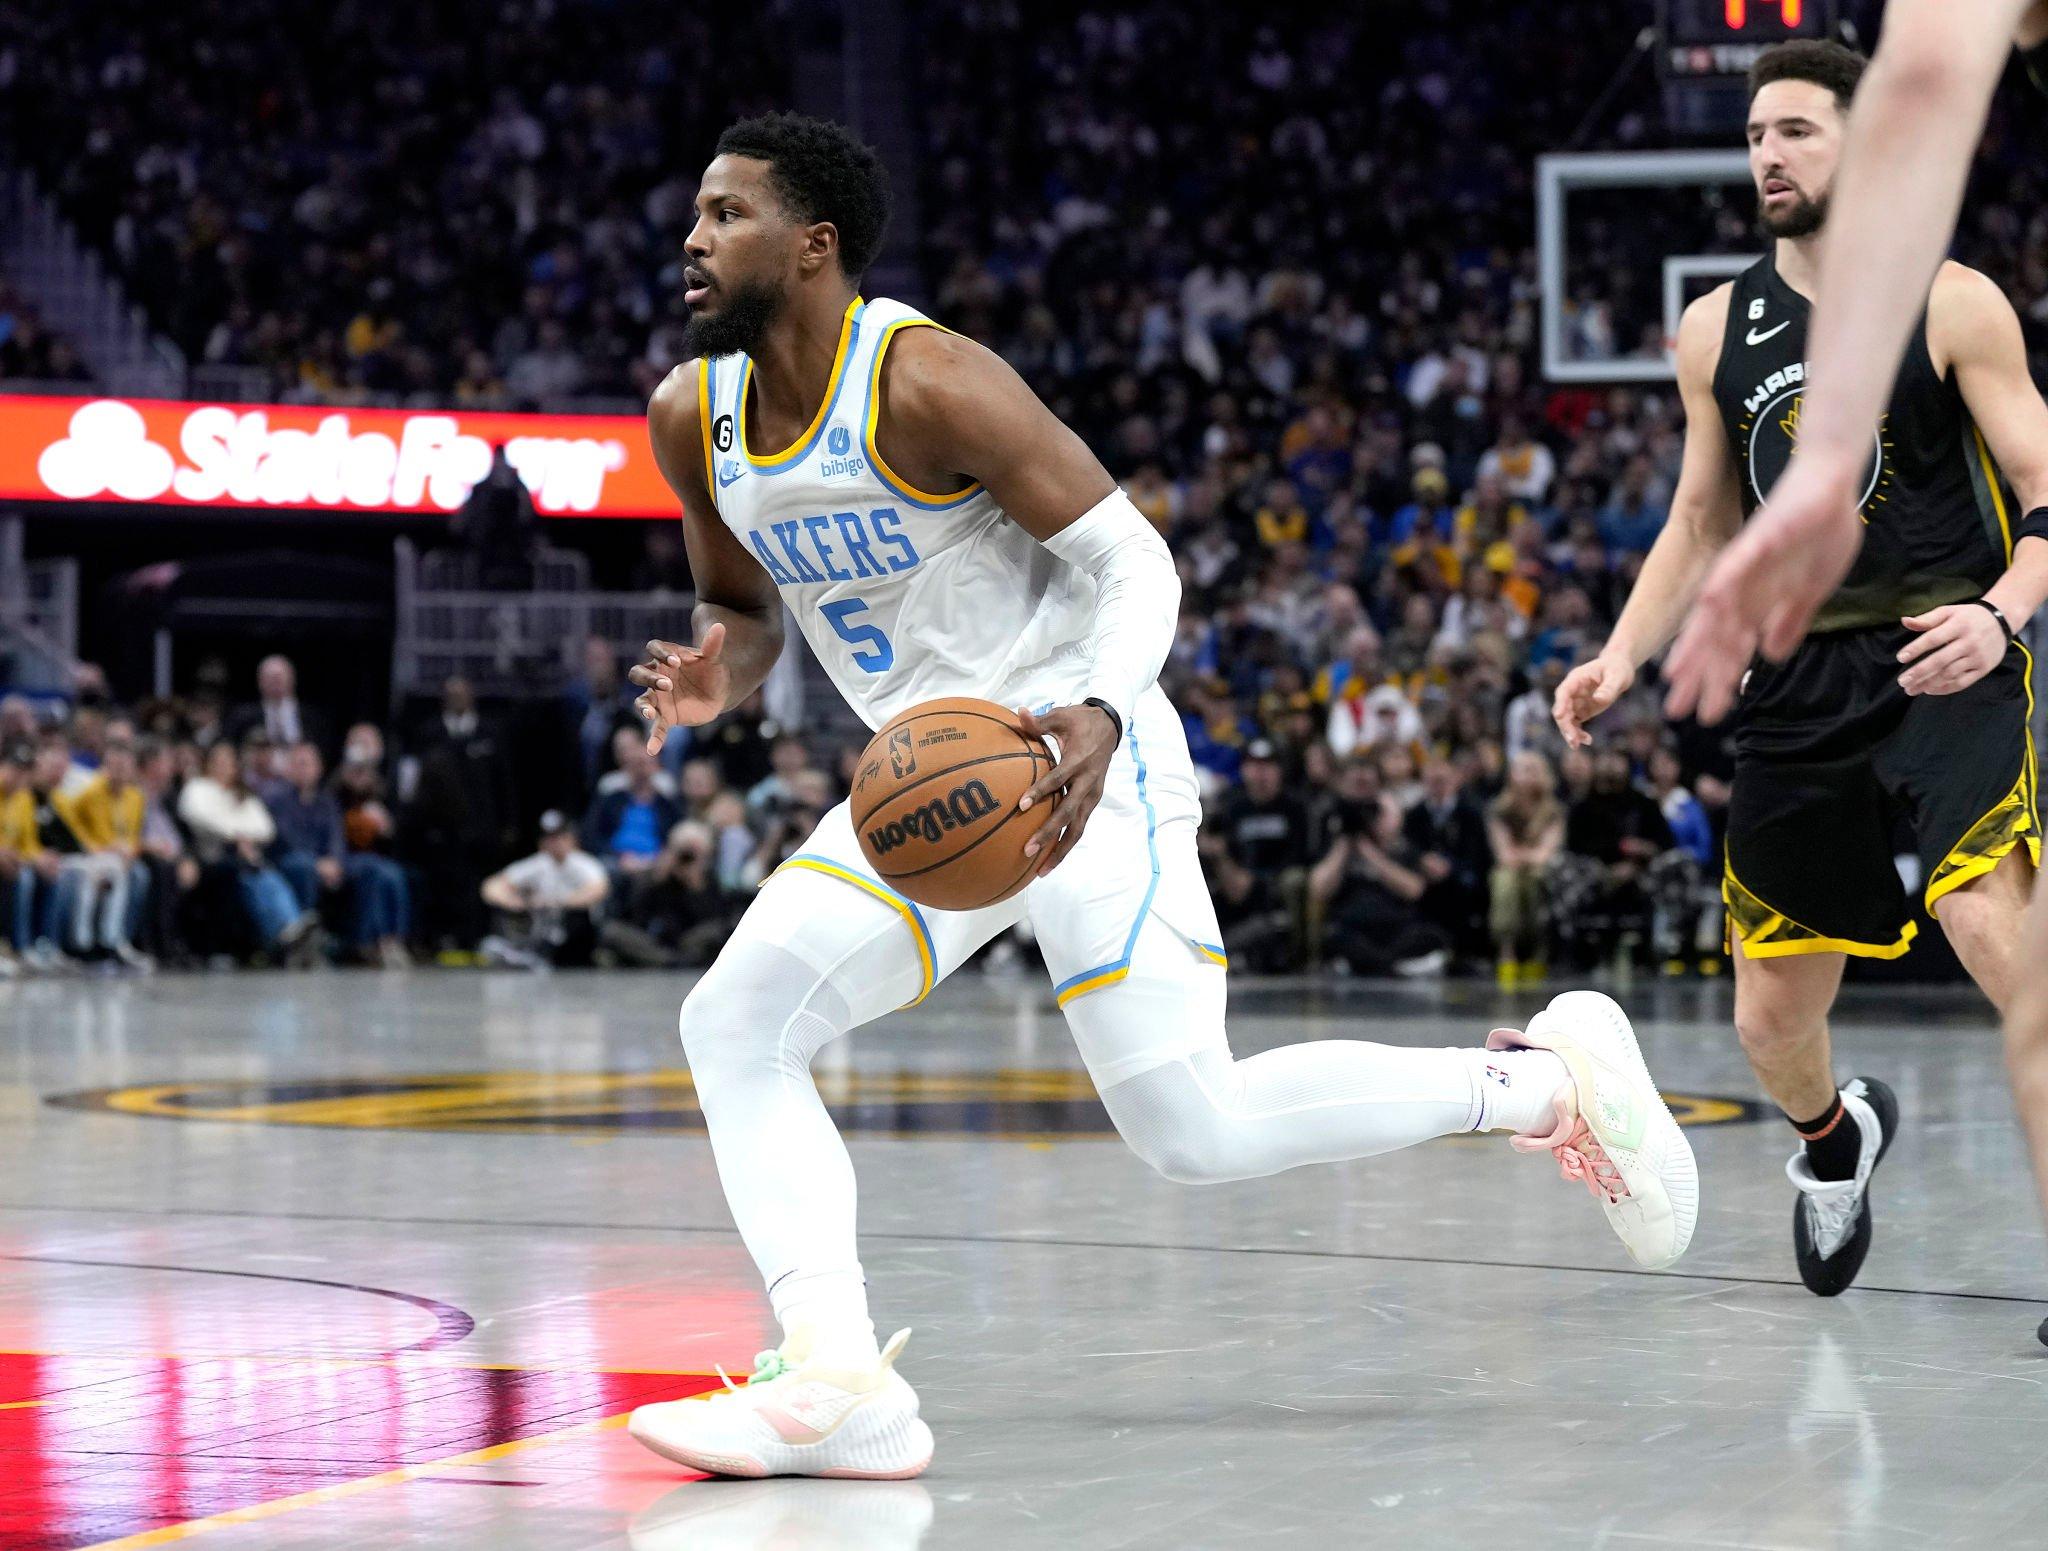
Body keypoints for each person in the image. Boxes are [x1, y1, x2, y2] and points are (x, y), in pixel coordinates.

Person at [619, 112, 1697, 1481]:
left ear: (814, 244)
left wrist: (1095, 709)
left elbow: (1139, 568)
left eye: (727, 215)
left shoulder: (932, 379)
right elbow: (737, 600)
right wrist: (730, 669)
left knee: (1195, 1127)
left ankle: (1537, 1084)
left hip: (1084, 765)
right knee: (737, 1018)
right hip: (935, 787)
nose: (693, 239)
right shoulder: (686, 414)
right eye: (697, 215)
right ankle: (839, 1378)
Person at [1554, 41, 2048, 1299]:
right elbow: (1700, 522)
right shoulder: (1714, 329)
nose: (1765, 154)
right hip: (1793, 686)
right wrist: (1620, 655)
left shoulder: (1949, 301)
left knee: (1996, 934)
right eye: (1755, 136)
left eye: (1795, 131)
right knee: (1768, 1027)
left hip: (1947, 659)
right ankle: (1836, 1142)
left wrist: (2001, 614)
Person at [178, 740, 317, 961]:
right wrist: (237, 836)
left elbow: (266, 828)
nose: (223, 767)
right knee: (248, 872)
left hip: (245, 855)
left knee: (267, 877)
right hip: (210, 856)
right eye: (218, 761)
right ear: (208, 765)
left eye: (228, 762)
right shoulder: (198, 788)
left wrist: (241, 836)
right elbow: (197, 816)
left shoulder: (242, 794)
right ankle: (281, 934)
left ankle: (290, 926)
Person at [479, 810, 609, 968]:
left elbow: (599, 889)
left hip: (576, 932)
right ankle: (524, 953)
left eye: (559, 836)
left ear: (570, 838)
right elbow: (491, 886)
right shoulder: (539, 864)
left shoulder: (583, 863)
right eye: (549, 837)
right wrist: (517, 903)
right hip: (541, 929)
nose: (554, 842)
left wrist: (558, 902)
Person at [1487, 751, 1565, 986]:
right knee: (1505, 880)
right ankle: (1506, 951)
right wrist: (1523, 856)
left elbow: (1546, 853)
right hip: (1511, 868)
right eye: (1521, 769)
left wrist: (1525, 856)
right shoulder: (1499, 810)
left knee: (1537, 879)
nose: (1526, 775)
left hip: (1540, 870)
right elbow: (1503, 852)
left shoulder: (1554, 811)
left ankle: (1537, 950)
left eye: (1532, 769)